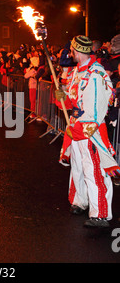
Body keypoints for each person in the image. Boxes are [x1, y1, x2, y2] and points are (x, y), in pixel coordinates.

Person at [55, 35, 120, 228]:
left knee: (95, 171)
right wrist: (63, 96)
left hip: (90, 131)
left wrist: (81, 125)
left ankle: (100, 213)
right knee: (78, 168)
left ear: (79, 51)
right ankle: (80, 201)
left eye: (73, 51)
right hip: (75, 128)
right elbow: (71, 101)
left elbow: (96, 109)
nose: (70, 54)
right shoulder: (76, 72)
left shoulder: (96, 74)